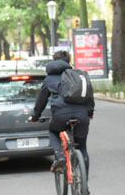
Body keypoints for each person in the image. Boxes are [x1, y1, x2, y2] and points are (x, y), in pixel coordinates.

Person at [30, 51, 95, 179]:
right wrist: (90, 112)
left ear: (54, 61)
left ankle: (60, 156)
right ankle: (84, 185)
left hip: (60, 115)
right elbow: (89, 96)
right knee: (82, 147)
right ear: (68, 61)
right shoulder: (78, 75)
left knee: (53, 131)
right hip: (82, 115)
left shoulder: (49, 79)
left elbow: (41, 101)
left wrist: (35, 116)